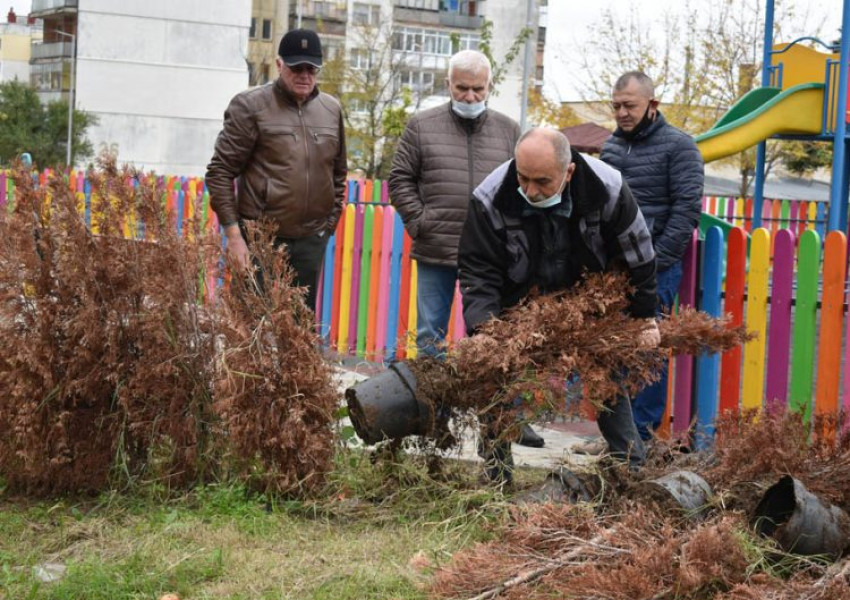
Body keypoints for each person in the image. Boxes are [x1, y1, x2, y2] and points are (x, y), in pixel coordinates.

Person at [458, 127, 659, 485]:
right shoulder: (490, 196)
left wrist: (644, 316)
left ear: (568, 173)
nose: (530, 192)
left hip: (586, 296)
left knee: (605, 374)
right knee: (493, 373)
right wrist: (484, 328)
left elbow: (638, 254)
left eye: (542, 182)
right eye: (523, 178)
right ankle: (495, 476)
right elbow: (478, 269)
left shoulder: (608, 189)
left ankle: (631, 469)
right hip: (518, 298)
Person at [388, 51, 543, 448]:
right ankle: (435, 417)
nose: (471, 97)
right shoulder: (422, 127)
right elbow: (400, 178)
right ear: (449, 85)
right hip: (438, 248)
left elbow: (522, 185)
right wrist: (420, 221)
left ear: (489, 87)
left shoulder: (510, 131)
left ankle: (506, 415)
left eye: (478, 89)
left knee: (498, 335)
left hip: (492, 258)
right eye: (463, 88)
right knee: (430, 338)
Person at [206, 28, 347, 311]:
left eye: (312, 68)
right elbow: (220, 172)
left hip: (311, 239)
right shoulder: (250, 106)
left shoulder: (331, 110)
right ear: (280, 64)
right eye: (297, 68)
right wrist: (235, 237)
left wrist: (327, 227)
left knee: (299, 333)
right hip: (261, 240)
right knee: (249, 329)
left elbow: (339, 173)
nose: (305, 75)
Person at [597, 71, 704, 444]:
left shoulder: (680, 147)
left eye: (630, 105)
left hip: (657, 267)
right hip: (614, 267)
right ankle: (616, 435)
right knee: (613, 350)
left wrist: (656, 262)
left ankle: (641, 436)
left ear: (652, 105)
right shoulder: (610, 147)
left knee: (647, 349)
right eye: (616, 106)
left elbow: (686, 210)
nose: (622, 113)